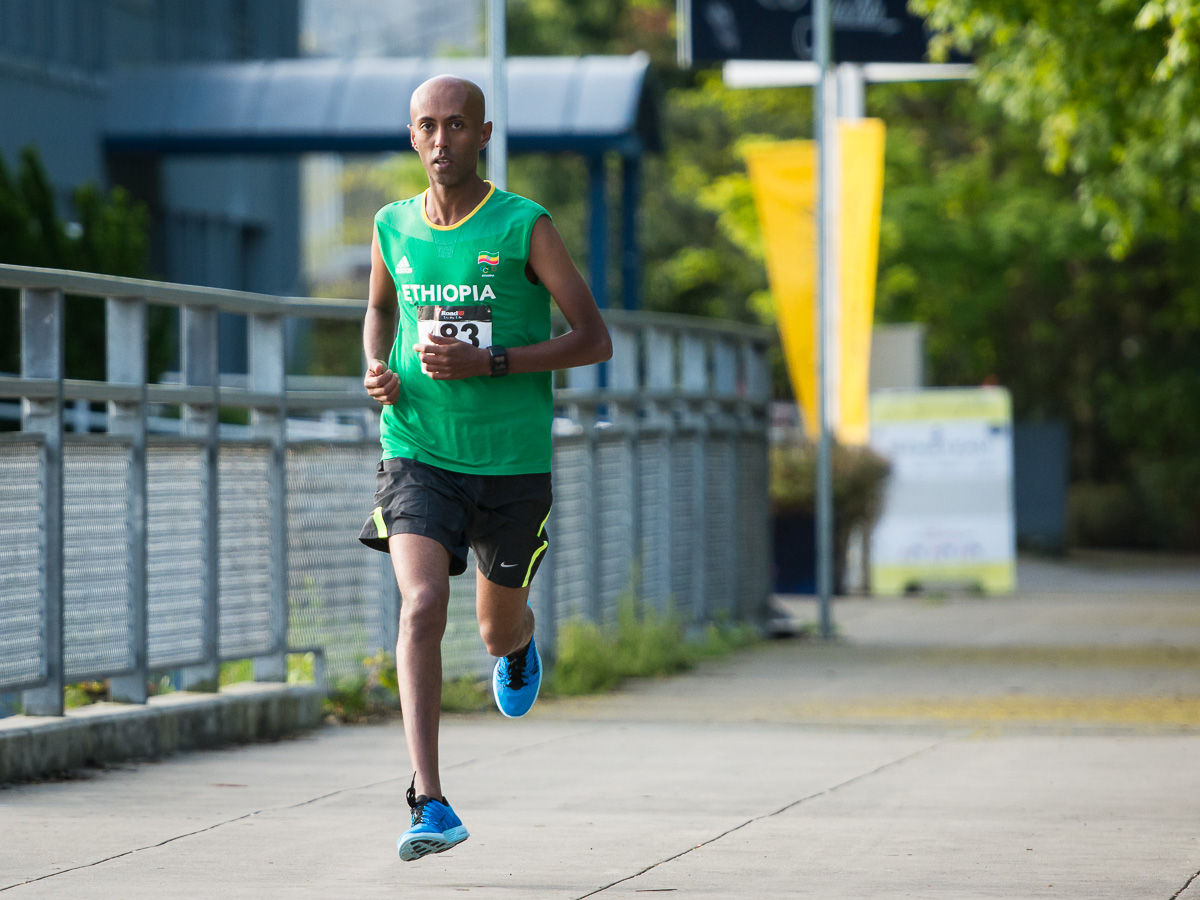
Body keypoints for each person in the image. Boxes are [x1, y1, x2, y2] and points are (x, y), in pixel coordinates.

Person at [358, 74, 612, 862]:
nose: (442, 140)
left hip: (509, 461)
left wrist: (492, 361)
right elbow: (381, 308)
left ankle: (520, 641)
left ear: (484, 134)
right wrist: (377, 366)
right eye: (427, 126)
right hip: (417, 448)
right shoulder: (392, 225)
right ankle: (429, 801)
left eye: (457, 125)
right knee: (422, 603)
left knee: (495, 628)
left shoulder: (524, 225)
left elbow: (593, 338)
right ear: (412, 136)